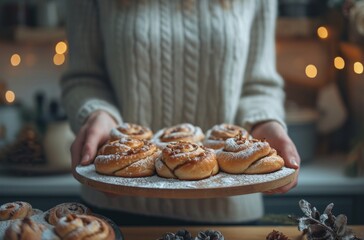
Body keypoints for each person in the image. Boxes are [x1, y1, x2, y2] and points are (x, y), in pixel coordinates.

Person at [61, 0, 300, 225]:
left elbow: (260, 86)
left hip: (230, 208)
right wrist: (98, 114)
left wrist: (264, 122)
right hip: (115, 203)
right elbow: (83, 78)